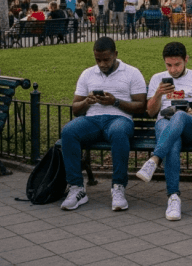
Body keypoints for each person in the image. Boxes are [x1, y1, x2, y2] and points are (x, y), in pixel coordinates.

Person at [59, 38, 148, 211]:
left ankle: (118, 187)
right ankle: (77, 188)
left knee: (118, 131)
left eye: (106, 59)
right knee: (69, 131)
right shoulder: (87, 74)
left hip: (119, 119)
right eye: (98, 60)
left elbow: (140, 106)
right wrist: (87, 102)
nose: (102, 64)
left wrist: (115, 102)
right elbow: (76, 109)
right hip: (92, 119)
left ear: (115, 54)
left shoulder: (131, 73)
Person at [137, 42, 192, 221]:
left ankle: (155, 159)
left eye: (177, 64)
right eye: (169, 65)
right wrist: (157, 94)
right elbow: (150, 112)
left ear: (186, 60)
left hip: (191, 127)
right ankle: (173, 198)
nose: (173, 70)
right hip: (165, 126)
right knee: (172, 143)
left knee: (179, 116)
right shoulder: (158, 78)